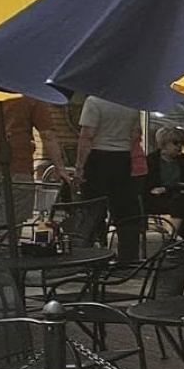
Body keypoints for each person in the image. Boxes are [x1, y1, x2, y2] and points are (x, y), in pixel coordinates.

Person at [0, 96, 73, 226]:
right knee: (9, 225)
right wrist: (60, 168)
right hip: (17, 167)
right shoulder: (29, 94)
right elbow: (47, 135)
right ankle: (3, 245)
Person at [76, 93, 145, 261]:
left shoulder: (94, 101)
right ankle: (128, 257)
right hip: (122, 158)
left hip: (98, 157)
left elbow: (87, 136)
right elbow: (136, 135)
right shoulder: (132, 103)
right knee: (125, 210)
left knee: (92, 209)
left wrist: (79, 167)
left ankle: (85, 254)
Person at [144, 127, 184, 231]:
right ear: (164, 144)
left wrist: (166, 189)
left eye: (182, 143)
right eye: (176, 143)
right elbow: (147, 184)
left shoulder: (183, 162)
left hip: (176, 195)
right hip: (155, 198)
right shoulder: (151, 161)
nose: (180, 146)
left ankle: (173, 236)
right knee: (183, 205)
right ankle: (175, 237)